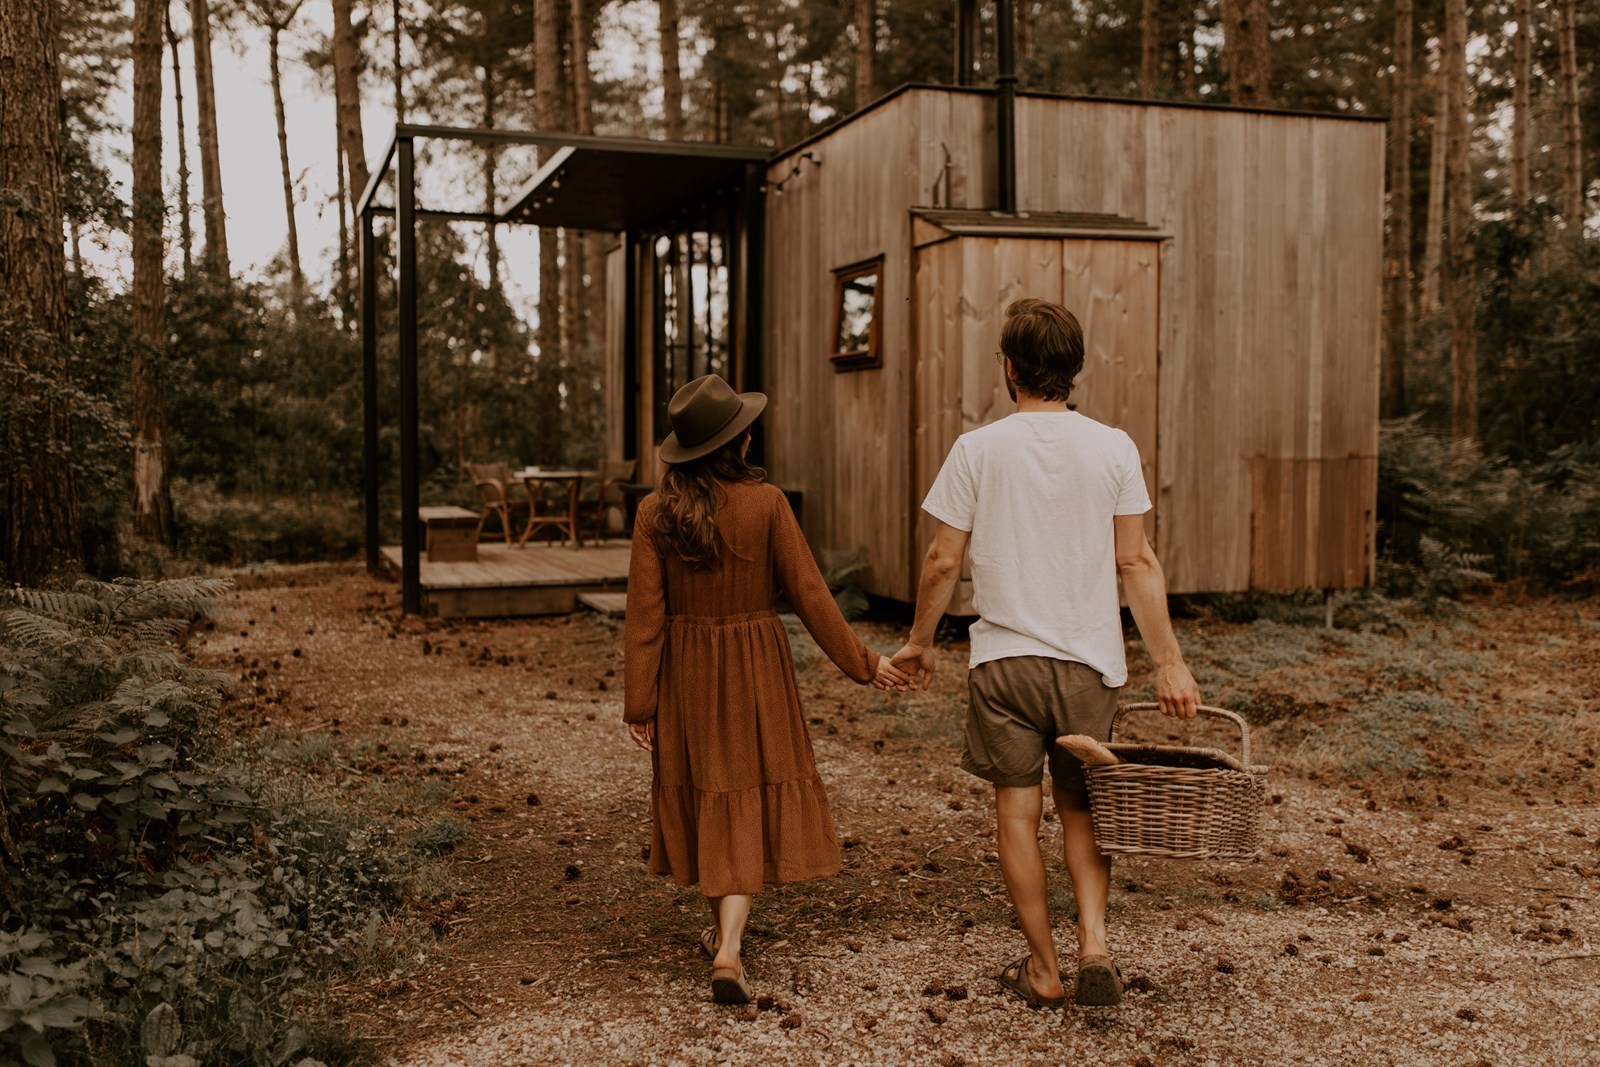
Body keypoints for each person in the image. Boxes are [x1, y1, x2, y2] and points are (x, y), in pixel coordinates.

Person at [891, 298, 1201, 1009]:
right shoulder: (1115, 447)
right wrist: (1170, 661)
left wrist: (918, 642)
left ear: (1009, 365)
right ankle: (1093, 939)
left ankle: (1045, 967)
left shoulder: (976, 449)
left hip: (1004, 665)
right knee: (1085, 813)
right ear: (1075, 367)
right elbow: (1137, 563)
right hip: (1090, 664)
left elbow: (943, 560)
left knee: (1016, 816)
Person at [623, 373, 909, 1005]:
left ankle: (724, 942)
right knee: (745, 789)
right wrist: (864, 662)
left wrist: (640, 701)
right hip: (755, 666)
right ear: (740, 442)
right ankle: (728, 947)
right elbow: (811, 595)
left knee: (711, 788)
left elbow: (645, 614)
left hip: (687, 673)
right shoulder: (768, 503)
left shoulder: (654, 511)